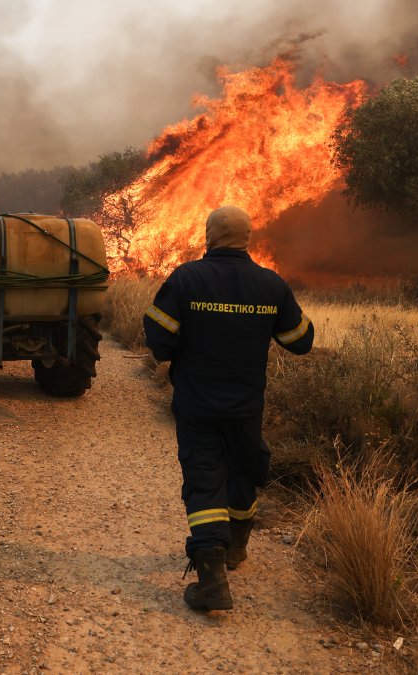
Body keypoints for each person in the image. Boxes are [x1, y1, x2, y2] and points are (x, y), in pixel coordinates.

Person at [142, 205, 314, 612]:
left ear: (209, 236)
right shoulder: (269, 284)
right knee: (242, 472)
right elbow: (301, 340)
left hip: (197, 404)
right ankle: (236, 547)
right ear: (248, 239)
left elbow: (159, 342)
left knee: (204, 481)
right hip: (245, 407)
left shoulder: (187, 278)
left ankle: (212, 580)